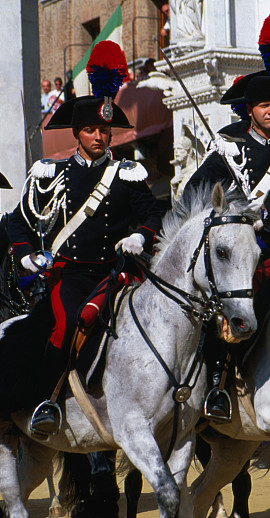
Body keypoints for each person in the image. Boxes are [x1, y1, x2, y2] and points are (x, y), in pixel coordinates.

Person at [5, 41, 162, 436]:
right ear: (78, 133)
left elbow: (152, 217)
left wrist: (141, 238)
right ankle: (48, 399)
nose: (99, 136)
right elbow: (18, 224)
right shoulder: (49, 173)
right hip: (69, 276)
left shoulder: (128, 174)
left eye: (104, 130)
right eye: (91, 130)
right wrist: (25, 255)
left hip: (116, 274)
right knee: (67, 324)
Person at [186, 14, 270, 421]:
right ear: (250, 109)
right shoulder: (228, 149)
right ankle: (217, 384)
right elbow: (191, 198)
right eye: (266, 104)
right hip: (246, 256)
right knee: (234, 306)